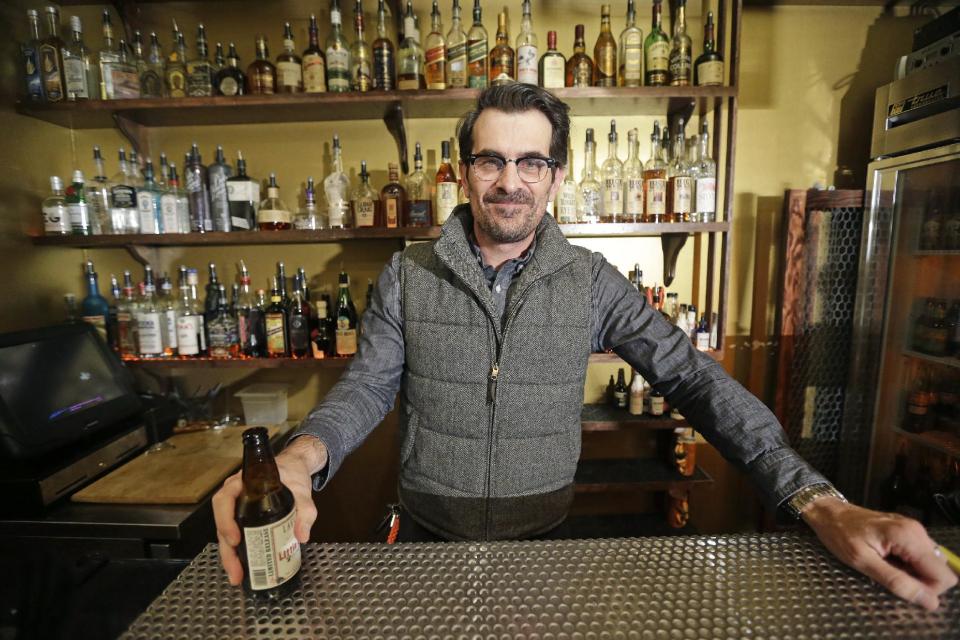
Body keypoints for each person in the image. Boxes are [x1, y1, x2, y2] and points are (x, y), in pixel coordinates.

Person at [213, 83, 957, 609]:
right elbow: (368, 388)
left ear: (557, 177)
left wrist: (816, 499)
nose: (510, 181)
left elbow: (694, 380)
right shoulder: (411, 274)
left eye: (531, 162)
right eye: (490, 160)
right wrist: (301, 457)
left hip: (548, 543)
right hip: (426, 543)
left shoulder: (592, 282)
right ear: (465, 170)